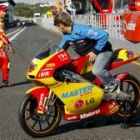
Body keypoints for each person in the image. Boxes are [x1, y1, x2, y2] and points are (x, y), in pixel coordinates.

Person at [53, 11, 122, 100]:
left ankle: (113, 85)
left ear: (61, 25)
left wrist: (95, 51)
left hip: (103, 51)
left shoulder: (81, 30)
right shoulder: (66, 36)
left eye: (56, 25)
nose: (57, 27)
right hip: (89, 58)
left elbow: (104, 35)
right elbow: (59, 50)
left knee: (97, 70)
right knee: (75, 73)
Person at [0, 5, 15, 87]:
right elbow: (1, 35)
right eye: (4, 11)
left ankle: (5, 81)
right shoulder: (0, 21)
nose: (5, 13)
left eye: (6, 11)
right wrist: (9, 45)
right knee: (6, 62)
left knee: (5, 62)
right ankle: (5, 81)